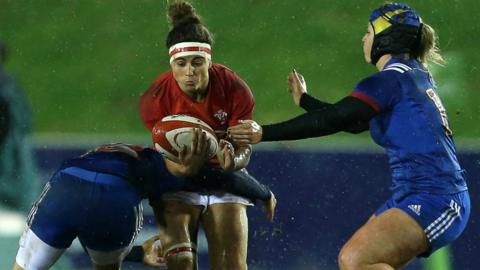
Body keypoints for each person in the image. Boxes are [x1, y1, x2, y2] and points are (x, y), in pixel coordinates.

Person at [228, 3, 470, 269]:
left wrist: (264, 132)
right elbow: (353, 122)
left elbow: (336, 119)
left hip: (436, 198)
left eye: (368, 31)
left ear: (386, 37)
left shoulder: (389, 81)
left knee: (356, 259)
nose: (364, 38)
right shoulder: (411, 77)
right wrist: (306, 101)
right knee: (357, 262)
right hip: (417, 194)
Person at [12, 143, 276, 270]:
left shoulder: (96, 155)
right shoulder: (158, 165)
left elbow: (82, 214)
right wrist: (262, 192)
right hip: (117, 196)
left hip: (67, 184)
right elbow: (219, 176)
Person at [139, 2, 260, 269]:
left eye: (197, 62)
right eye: (181, 64)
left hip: (225, 180)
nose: (190, 71)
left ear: (209, 60)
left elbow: (245, 149)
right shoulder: (155, 99)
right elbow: (168, 162)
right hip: (177, 182)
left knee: (232, 265)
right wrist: (185, 168)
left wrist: (234, 162)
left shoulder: (234, 88)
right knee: (180, 262)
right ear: (171, 64)